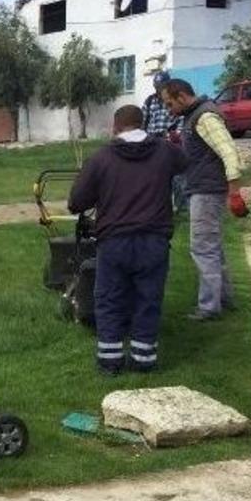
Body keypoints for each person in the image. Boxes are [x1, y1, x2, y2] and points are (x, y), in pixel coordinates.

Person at [68, 105, 188, 374]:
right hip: (154, 239)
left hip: (114, 240)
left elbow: (76, 203)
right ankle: (143, 360)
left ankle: (110, 362)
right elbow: (184, 164)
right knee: (148, 299)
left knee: (110, 299)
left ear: (115, 126)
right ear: (142, 124)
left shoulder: (101, 158)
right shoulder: (166, 152)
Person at [161, 78, 248, 321]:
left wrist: (235, 192)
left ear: (181, 96)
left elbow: (229, 152)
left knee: (202, 247)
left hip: (207, 191)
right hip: (204, 188)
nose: (169, 110)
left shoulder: (205, 117)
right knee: (213, 247)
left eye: (169, 104)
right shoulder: (193, 116)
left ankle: (209, 307)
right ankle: (224, 297)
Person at [142, 70, 187, 212]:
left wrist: (176, 135)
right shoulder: (149, 101)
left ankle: (181, 208)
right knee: (155, 176)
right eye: (156, 86)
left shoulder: (175, 101)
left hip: (169, 142)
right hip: (151, 143)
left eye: (161, 86)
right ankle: (159, 207)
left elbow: (181, 121)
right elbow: (143, 121)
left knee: (176, 177)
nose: (158, 89)